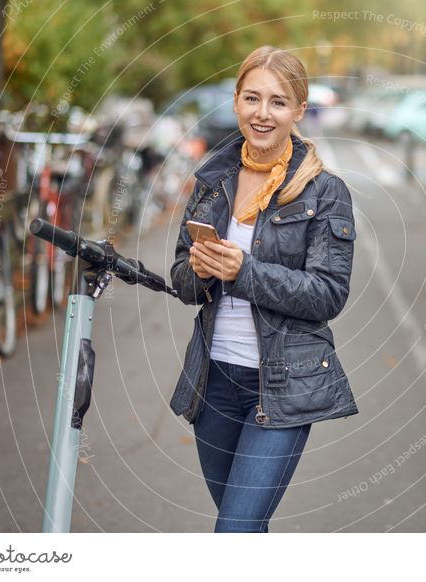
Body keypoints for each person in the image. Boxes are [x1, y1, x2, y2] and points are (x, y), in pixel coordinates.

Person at [169, 45, 359, 533]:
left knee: (233, 532)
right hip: (214, 383)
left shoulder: (324, 191)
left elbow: (328, 294)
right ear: (236, 102)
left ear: (299, 110)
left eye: (278, 102)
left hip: (281, 387)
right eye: (252, 98)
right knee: (244, 530)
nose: (263, 113)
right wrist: (202, 268)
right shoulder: (214, 181)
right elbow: (183, 283)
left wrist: (244, 271)